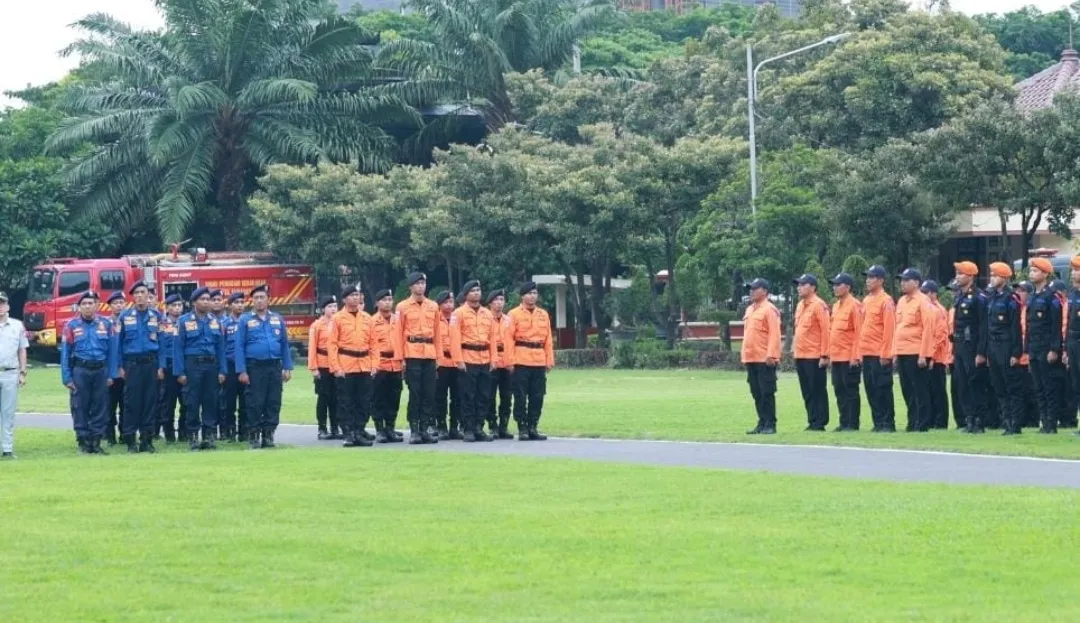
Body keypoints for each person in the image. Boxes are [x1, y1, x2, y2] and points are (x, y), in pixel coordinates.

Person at [236, 284, 294, 449]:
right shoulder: (245, 320)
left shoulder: (277, 319)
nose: (259, 301)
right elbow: (239, 346)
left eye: (262, 297)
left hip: (274, 366)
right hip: (254, 367)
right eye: (256, 298)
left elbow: (284, 344)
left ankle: (268, 435)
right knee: (255, 402)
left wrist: (287, 367)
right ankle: (254, 435)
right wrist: (241, 370)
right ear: (252, 301)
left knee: (273, 401)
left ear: (268, 300)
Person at [61, 291, 119, 454]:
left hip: (101, 370)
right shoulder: (71, 326)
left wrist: (111, 374)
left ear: (96, 305)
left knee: (100, 406)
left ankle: (96, 441)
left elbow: (112, 352)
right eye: (84, 303)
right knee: (80, 406)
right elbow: (65, 353)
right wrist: (66, 377)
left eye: (90, 303)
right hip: (80, 370)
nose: (87, 306)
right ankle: (83, 440)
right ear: (79, 307)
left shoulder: (106, 325)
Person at [174, 287, 226, 451]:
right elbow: (178, 348)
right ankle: (193, 437)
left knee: (211, 401)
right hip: (192, 364)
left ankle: (209, 436)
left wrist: (222, 370)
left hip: (211, 365)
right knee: (192, 401)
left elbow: (220, 348)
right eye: (202, 299)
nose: (206, 302)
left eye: (208, 299)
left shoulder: (215, 321)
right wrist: (180, 372)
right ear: (194, 302)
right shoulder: (183, 321)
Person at [116, 281, 163, 453]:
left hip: (151, 364)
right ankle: (130, 440)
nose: (140, 296)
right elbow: (118, 345)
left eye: (143, 292)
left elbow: (163, 343)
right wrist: (119, 366)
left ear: (148, 295)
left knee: (150, 402)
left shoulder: (157, 316)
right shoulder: (124, 316)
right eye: (136, 293)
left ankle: (147, 440)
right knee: (131, 403)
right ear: (133, 297)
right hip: (132, 365)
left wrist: (161, 366)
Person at [327, 285, 375, 448]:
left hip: (364, 364)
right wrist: (335, 367)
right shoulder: (337, 318)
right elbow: (332, 344)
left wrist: (374, 364)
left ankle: (359, 430)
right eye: (352, 295)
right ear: (344, 299)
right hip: (346, 363)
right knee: (346, 401)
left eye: (357, 295)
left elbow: (373, 343)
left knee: (363, 400)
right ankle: (348, 432)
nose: (356, 298)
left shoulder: (367, 318)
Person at [506, 281, 555, 440]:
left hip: (539, 359)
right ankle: (522, 427)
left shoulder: (543, 314)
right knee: (520, 396)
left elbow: (548, 339)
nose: (532, 296)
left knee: (537, 395)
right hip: (521, 359)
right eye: (529, 293)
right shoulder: (513, 314)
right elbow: (508, 339)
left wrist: (549, 360)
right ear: (522, 296)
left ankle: (533, 426)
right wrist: (510, 361)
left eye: (534, 293)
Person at [451, 280, 498, 442]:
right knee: (468, 396)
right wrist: (458, 360)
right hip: (467, 358)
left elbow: (492, 338)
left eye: (478, 290)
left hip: (484, 358)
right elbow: (454, 338)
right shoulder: (458, 313)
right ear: (466, 294)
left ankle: (479, 427)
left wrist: (494, 359)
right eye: (473, 291)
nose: (477, 293)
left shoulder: (487, 314)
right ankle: (468, 428)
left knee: (484, 396)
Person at [396, 272, 441, 445]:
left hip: (429, 352)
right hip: (412, 352)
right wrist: (401, 358)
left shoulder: (433, 306)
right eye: (417, 283)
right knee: (416, 393)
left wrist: (438, 356)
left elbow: (437, 332)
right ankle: (414, 429)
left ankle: (424, 428)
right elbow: (398, 333)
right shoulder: (402, 307)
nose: (421, 286)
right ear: (411, 286)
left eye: (423, 283)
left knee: (429, 394)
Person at [893, 268, 936, 433]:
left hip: (916, 352)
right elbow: (897, 327)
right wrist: (895, 352)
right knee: (907, 389)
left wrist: (924, 354)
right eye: (901, 280)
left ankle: (923, 423)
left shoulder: (923, 301)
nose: (902, 283)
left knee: (920, 389)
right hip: (903, 350)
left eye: (906, 280)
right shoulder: (902, 301)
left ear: (916, 283)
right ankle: (912, 421)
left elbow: (928, 329)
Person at [1027, 258, 1065, 434]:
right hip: (1034, 347)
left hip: (1046, 347)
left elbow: (1056, 325)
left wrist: (1054, 349)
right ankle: (1044, 421)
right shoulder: (1033, 296)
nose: (1031, 274)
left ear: (1044, 273)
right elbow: (1029, 325)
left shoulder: (1052, 297)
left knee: (1049, 387)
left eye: (1035, 271)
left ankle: (1052, 423)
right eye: (1031, 271)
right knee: (1038, 386)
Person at [950, 262, 990, 432]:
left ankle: (979, 421)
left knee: (975, 383)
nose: (958, 276)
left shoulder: (979, 298)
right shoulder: (959, 296)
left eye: (961, 273)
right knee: (962, 384)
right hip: (959, 345)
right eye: (957, 273)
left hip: (972, 346)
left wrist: (981, 352)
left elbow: (983, 326)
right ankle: (969, 419)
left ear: (971, 276)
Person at [986, 263, 1024, 435]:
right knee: (999, 386)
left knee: (1012, 386)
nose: (992, 278)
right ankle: (1006, 421)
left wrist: (1016, 353)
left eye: (995, 275)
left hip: (1007, 346)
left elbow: (1016, 327)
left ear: (1004, 278)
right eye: (991, 275)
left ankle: (1015, 424)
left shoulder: (1011, 299)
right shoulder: (992, 297)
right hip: (993, 346)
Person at [858, 265, 897, 432]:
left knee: (883, 388)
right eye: (867, 277)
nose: (867, 280)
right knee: (870, 388)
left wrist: (886, 353)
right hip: (867, 352)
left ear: (881, 280)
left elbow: (889, 329)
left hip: (879, 353)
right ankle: (877, 421)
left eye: (871, 277)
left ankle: (888, 423)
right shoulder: (866, 300)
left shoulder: (886, 301)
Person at [740, 279, 781, 435]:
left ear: (764, 291)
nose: (751, 291)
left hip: (764, 358)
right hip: (751, 358)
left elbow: (774, 334)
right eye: (750, 288)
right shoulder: (750, 309)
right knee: (756, 392)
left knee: (767, 392)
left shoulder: (770, 309)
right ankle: (762, 422)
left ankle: (770, 423)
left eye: (754, 288)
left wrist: (771, 355)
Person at [792, 274, 831, 431]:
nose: (799, 287)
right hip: (801, 355)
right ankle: (812, 419)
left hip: (814, 356)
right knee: (806, 390)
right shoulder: (800, 305)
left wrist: (825, 355)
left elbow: (826, 331)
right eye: (798, 284)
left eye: (803, 284)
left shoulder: (818, 305)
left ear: (813, 287)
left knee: (817, 390)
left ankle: (820, 422)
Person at [827, 273, 863, 432]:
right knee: (839, 390)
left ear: (847, 287)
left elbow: (859, 332)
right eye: (834, 284)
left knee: (850, 390)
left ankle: (852, 423)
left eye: (838, 284)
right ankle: (844, 422)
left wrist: (856, 356)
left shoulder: (854, 305)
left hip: (849, 356)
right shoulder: (836, 306)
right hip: (836, 356)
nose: (834, 287)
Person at [371, 289, 404, 443]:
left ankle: (390, 427)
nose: (388, 302)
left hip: (395, 364)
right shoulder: (372, 321)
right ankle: (380, 429)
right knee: (378, 398)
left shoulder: (398, 320)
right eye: (384, 300)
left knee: (394, 398)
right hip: (380, 364)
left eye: (390, 299)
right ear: (377, 303)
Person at [0, 291, 28, 458]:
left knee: (8, 412)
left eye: (2, 303)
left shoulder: (17, 325)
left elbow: (22, 350)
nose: (0, 307)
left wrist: (23, 372)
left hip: (10, 373)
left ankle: (7, 448)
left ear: (8, 306)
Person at [308, 295, 340, 441]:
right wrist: (314, 368)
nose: (333, 309)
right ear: (323, 309)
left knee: (336, 398)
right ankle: (322, 428)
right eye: (330, 307)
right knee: (323, 398)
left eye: (335, 306)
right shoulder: (317, 325)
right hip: (322, 364)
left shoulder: (339, 323)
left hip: (336, 365)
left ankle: (335, 427)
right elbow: (312, 348)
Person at [921, 280, 950, 429]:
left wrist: (931, 356)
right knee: (929, 390)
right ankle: (932, 419)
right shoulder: (928, 309)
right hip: (928, 354)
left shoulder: (938, 310)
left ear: (933, 294)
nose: (924, 295)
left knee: (938, 390)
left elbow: (939, 335)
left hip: (937, 357)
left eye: (926, 292)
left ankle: (941, 421)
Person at [157, 294, 186, 442]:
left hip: (183, 368)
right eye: (173, 306)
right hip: (168, 368)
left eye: (179, 305)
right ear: (167, 307)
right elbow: (160, 347)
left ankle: (184, 433)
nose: (177, 308)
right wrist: (161, 367)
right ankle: (169, 435)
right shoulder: (162, 324)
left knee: (186, 401)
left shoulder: (186, 322)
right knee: (167, 403)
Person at [486, 289, 514, 439]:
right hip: (492, 362)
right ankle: (492, 425)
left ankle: (504, 426)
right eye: (496, 300)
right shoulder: (485, 317)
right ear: (490, 303)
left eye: (502, 300)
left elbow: (513, 341)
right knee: (489, 396)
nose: (499, 303)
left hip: (507, 362)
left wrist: (512, 361)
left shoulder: (509, 320)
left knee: (506, 396)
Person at [434, 290, 462, 440]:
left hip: (457, 362)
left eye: (451, 302)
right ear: (439, 305)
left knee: (457, 397)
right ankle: (441, 426)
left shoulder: (457, 318)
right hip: (441, 361)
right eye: (446, 302)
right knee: (440, 396)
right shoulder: (435, 318)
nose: (449, 305)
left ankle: (454, 427)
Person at [220, 292, 247, 442]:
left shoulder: (248, 322)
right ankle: (229, 431)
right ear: (230, 305)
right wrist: (222, 369)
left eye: (242, 302)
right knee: (228, 401)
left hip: (244, 366)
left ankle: (244, 431)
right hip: (230, 366)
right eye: (236, 302)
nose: (240, 305)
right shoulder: (224, 323)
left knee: (246, 400)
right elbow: (221, 347)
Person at [1014, 281, 1040, 428]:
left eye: (1022, 291)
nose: (1019, 293)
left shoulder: (1030, 307)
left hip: (1029, 355)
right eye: (1018, 291)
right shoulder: (1017, 308)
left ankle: (1034, 420)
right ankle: (1023, 419)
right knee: (1020, 390)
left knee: (1032, 390)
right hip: (1019, 357)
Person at [105, 291, 126, 445]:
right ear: (110, 306)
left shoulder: (128, 322)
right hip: (110, 371)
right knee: (109, 405)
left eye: (121, 302)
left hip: (126, 371)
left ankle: (125, 433)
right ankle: (110, 435)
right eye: (116, 303)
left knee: (127, 405)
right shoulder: (105, 324)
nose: (119, 305)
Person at [1066, 257, 1080, 435]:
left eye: (1077, 270)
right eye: (1073, 270)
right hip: (1073, 343)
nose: (1074, 273)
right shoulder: (1073, 294)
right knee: (1076, 385)